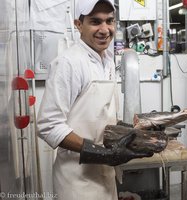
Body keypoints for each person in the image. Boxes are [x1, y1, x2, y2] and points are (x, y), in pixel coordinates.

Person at [37, 0, 152, 199]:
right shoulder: (68, 63)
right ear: (78, 25)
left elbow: (99, 115)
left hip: (105, 176)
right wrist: (101, 153)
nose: (105, 29)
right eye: (95, 22)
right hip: (77, 180)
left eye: (109, 21)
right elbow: (49, 125)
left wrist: (132, 131)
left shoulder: (106, 60)